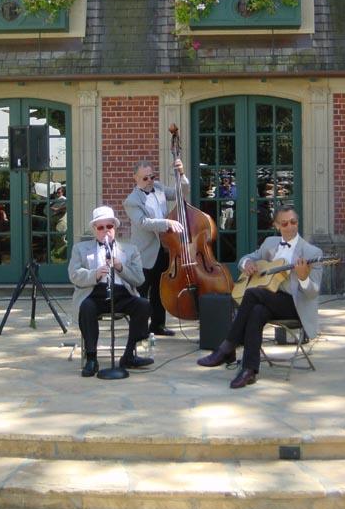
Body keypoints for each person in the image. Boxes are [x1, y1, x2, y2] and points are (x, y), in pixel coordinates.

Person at [197, 205, 323, 389]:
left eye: (294, 222)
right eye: (285, 223)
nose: (290, 227)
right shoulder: (270, 243)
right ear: (277, 225)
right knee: (256, 311)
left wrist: (303, 278)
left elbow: (313, 293)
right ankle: (249, 370)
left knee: (252, 294)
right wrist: (247, 264)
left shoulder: (312, 253)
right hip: (268, 299)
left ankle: (227, 347)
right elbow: (246, 258)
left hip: (294, 305)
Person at [68, 205, 152, 377]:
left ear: (115, 227)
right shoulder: (80, 249)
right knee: (87, 308)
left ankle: (128, 356)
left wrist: (120, 267)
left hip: (121, 294)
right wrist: (95, 274)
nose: (106, 231)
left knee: (143, 305)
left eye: (109, 226)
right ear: (94, 229)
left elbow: (139, 279)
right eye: (101, 227)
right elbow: (74, 275)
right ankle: (92, 358)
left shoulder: (130, 250)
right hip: (94, 293)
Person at [123, 159, 188, 336]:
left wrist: (181, 174)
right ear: (135, 178)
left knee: (161, 289)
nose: (150, 181)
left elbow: (180, 192)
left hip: (164, 247)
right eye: (145, 178)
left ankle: (158, 325)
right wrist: (166, 222)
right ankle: (139, 328)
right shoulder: (132, 201)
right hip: (145, 250)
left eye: (152, 176)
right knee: (142, 292)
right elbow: (143, 222)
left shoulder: (158, 188)